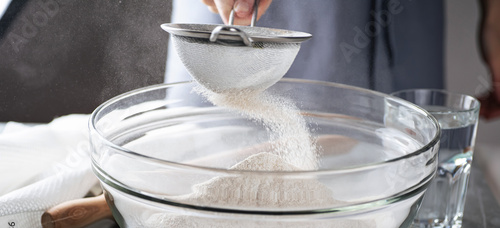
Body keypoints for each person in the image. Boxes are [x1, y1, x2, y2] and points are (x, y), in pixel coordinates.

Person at [166, 0, 500, 119]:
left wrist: (495, 15)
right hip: (265, 18)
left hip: (407, 26)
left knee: (407, 182)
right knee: (209, 175)